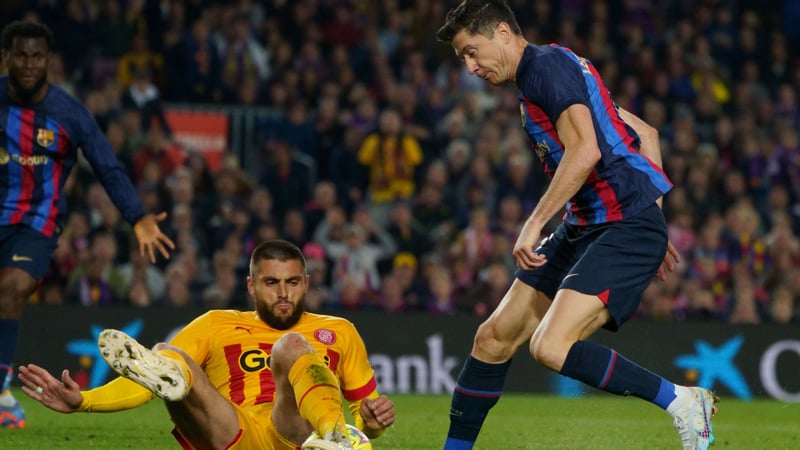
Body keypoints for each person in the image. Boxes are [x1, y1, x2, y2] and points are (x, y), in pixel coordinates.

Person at [435, 2, 718, 450]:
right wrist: (655, 213)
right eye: (462, 58)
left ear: (503, 33)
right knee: (492, 339)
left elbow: (585, 151)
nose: (470, 67)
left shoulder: (545, 69)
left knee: (550, 347)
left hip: (622, 224)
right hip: (589, 223)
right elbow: (645, 133)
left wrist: (533, 225)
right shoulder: (549, 72)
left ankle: (682, 400)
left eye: (472, 52)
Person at [18, 239, 395, 449]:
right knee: (168, 356)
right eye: (271, 283)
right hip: (232, 432)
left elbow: (365, 414)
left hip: (295, 435)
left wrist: (372, 422)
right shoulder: (216, 323)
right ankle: (335, 437)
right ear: (251, 286)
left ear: (306, 284)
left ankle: (334, 435)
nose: (283, 293)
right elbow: (149, 382)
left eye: (292, 283)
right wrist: (83, 401)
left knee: (291, 346)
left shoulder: (339, 331)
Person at [0, 20, 175, 428]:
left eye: (37, 56)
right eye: (20, 55)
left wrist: (137, 216)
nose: (29, 63)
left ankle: (0, 390)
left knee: (11, 287)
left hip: (35, 224)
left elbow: (107, 166)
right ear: (6, 58)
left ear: (49, 61)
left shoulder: (69, 113)